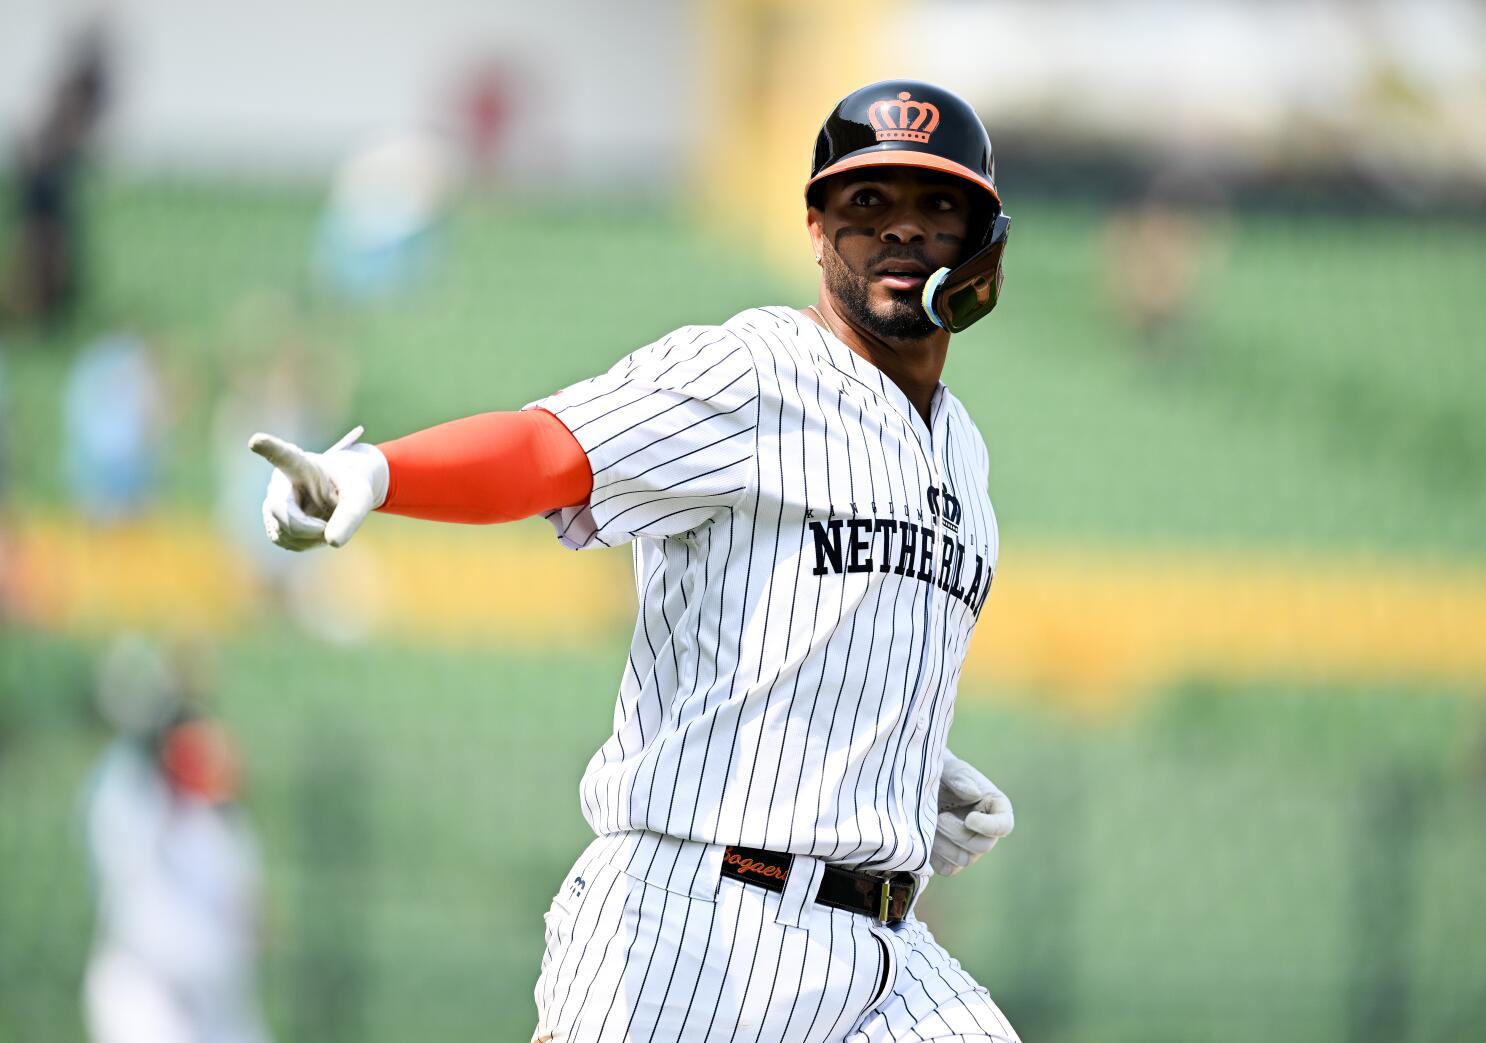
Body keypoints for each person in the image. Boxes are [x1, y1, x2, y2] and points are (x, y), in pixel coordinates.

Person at [252, 80, 1020, 1042]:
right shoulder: (755, 371)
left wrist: (896, 765)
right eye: (868, 204)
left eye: (936, 208)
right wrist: (377, 469)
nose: (901, 233)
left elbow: (818, 618)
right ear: (818, 229)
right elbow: (550, 449)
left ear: (983, 246)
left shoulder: (964, 450)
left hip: (882, 949)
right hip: (697, 924)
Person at [81, 636, 273, 1043]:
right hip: (147, 988)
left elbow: (252, 914)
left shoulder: (224, 825)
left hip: (216, 998)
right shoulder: (127, 793)